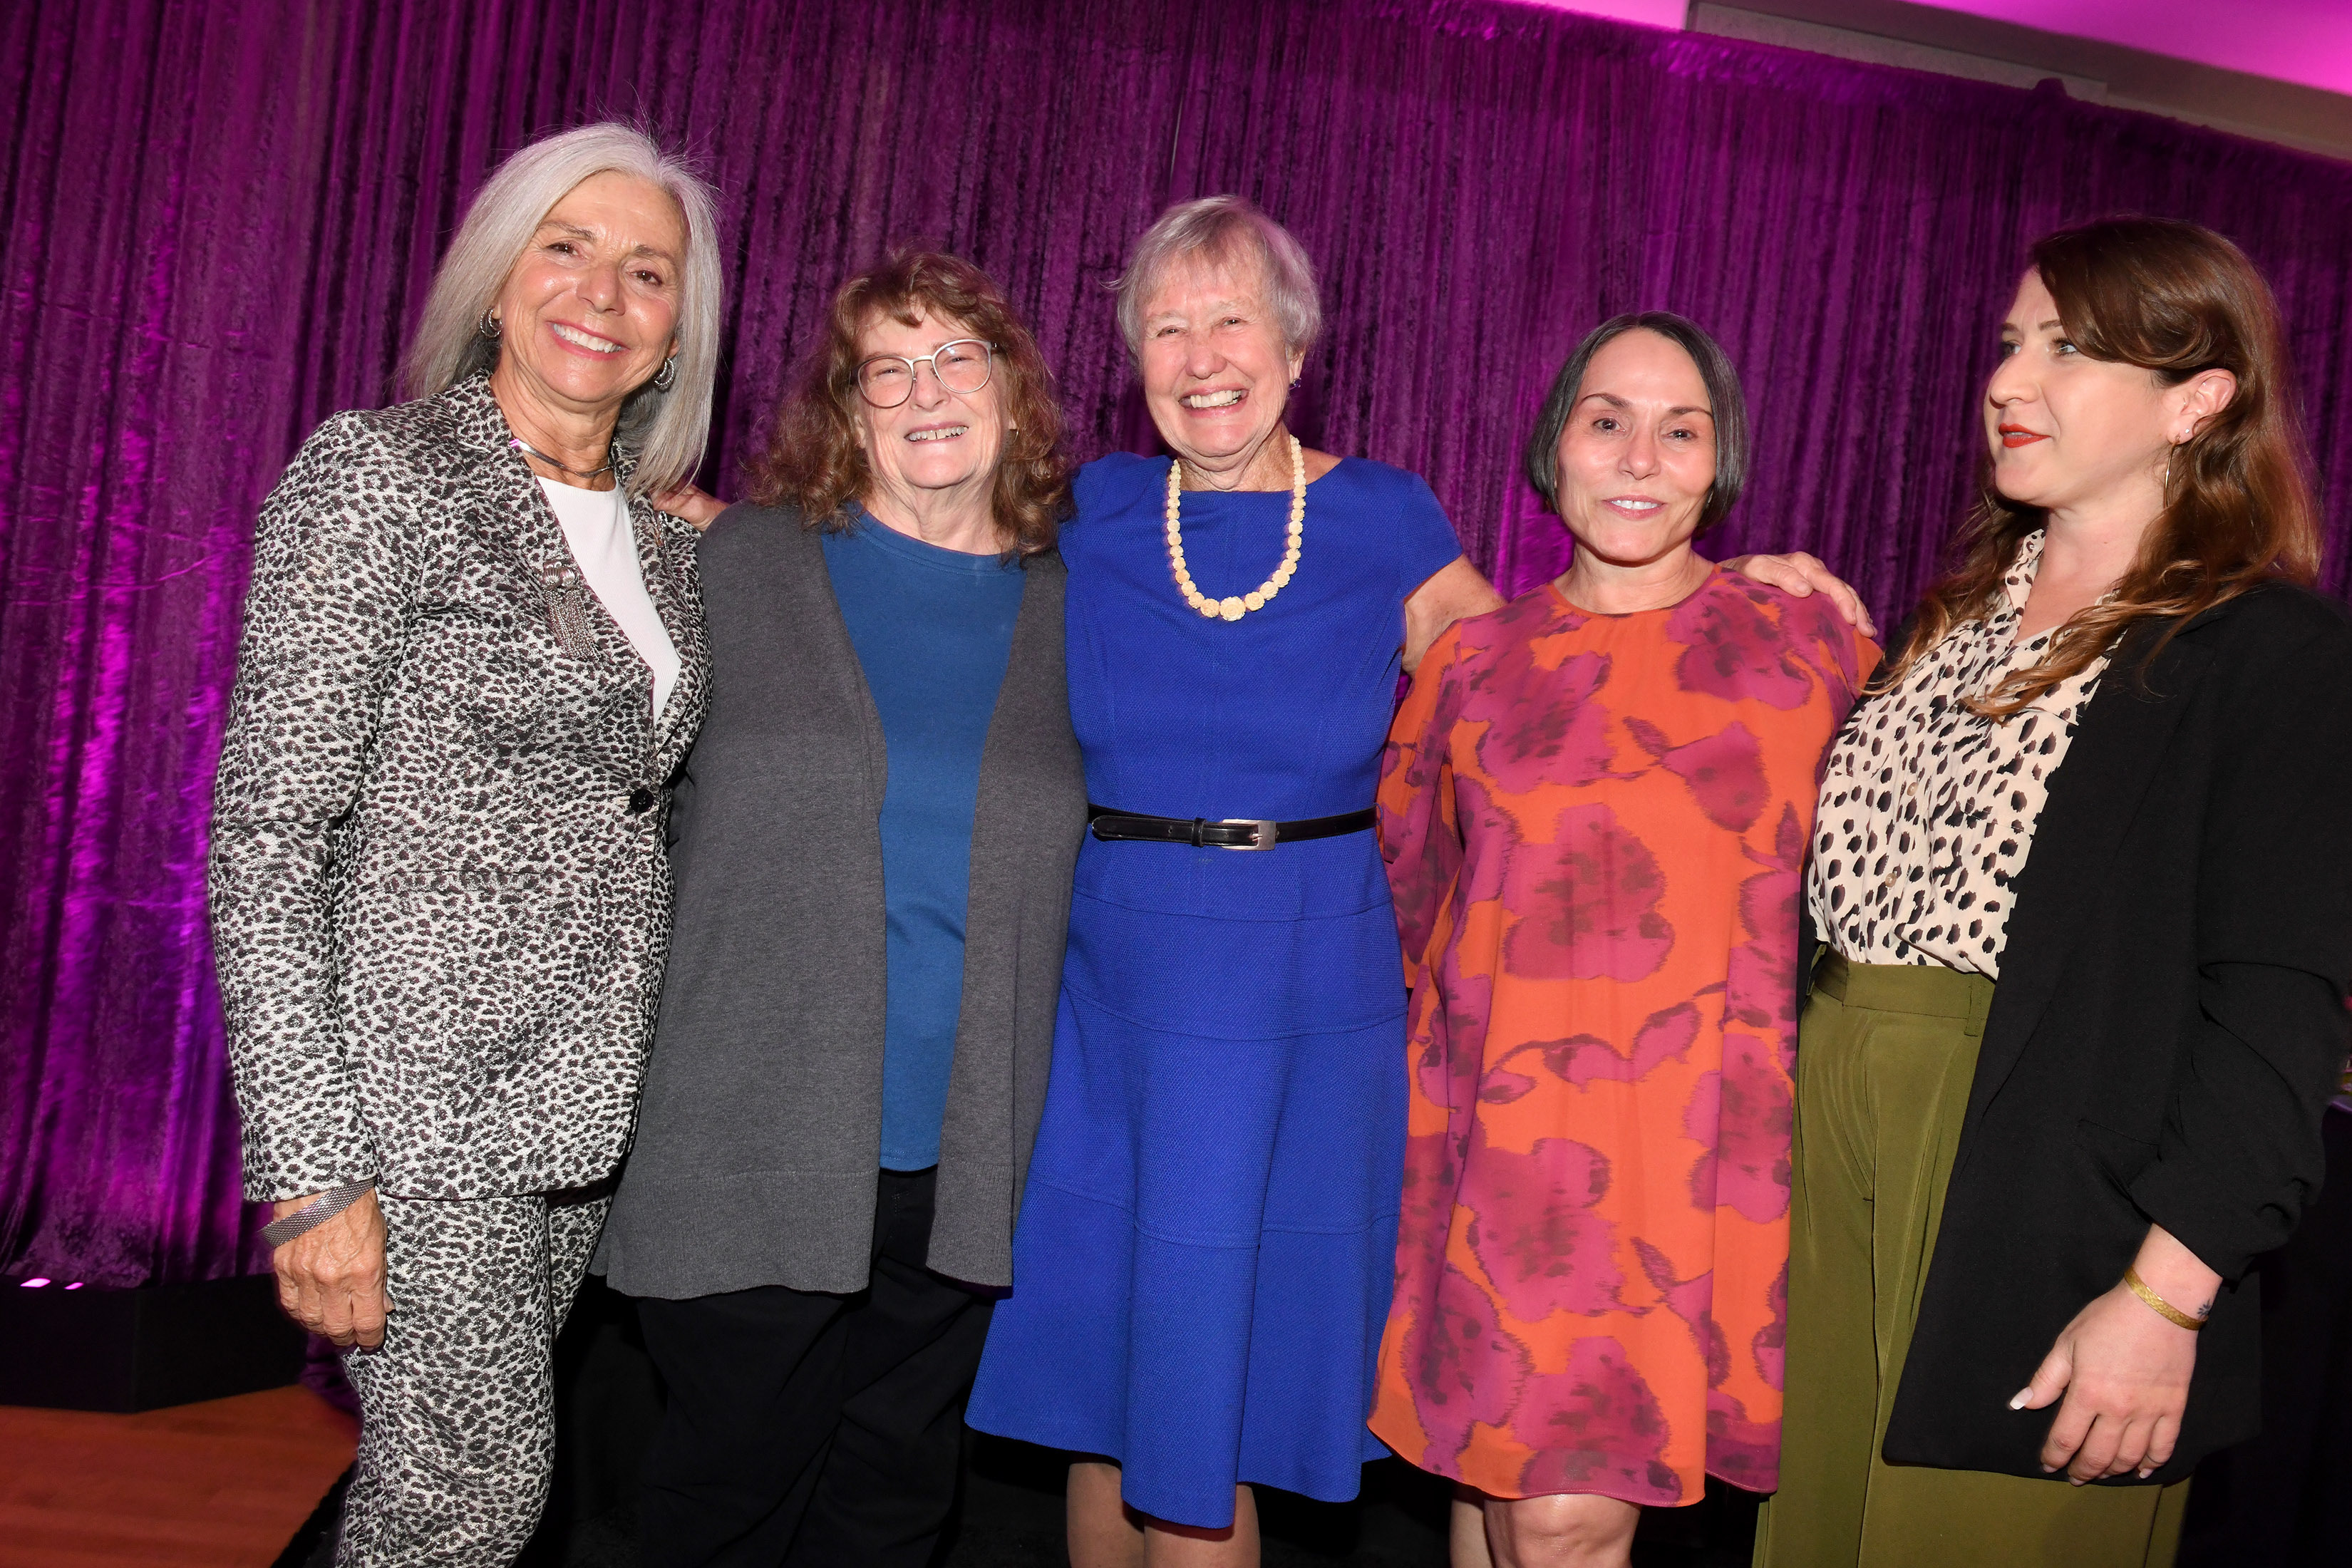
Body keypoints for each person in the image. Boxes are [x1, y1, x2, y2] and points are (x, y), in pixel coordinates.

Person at [961, 197, 1865, 1567]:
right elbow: (915, 536)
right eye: (1169, 326)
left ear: (1299, 347)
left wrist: (1729, 587)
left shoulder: (1381, 513)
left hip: (1299, 977)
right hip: (1116, 981)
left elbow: (1550, 664)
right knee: (1109, 1387)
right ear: (1132, 355)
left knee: (1214, 1389)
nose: (1204, 356)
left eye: (1236, 322)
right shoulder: (1088, 509)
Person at [1755, 217, 2352, 1568]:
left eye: (2070, 350)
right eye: (2013, 342)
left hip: (2049, 1198)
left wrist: (2165, 1300)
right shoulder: (1949, 620)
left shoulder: (2270, 653)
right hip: (1830, 1158)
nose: (2011, 381)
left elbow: (2275, 1020)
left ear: (2198, 399)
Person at [207, 123, 722, 1563]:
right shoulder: (379, 476)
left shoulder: (674, 546)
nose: (602, 294)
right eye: (566, 247)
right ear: (499, 277)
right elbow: (266, 832)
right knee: (471, 1498)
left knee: (438, 1498)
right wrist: (312, 1169)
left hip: (583, 1110)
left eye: (647, 271)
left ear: (681, 324)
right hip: (414, 1098)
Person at [595, 249, 1088, 1568]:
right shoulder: (741, 564)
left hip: (969, 1157)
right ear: (847, 408)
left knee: (891, 1504)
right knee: (720, 1500)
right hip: (748, 1132)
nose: (925, 392)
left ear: (1011, 387)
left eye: (955, 359)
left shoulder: (1082, 600)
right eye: (888, 369)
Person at [1372, 313, 1876, 1568]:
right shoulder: (1470, 667)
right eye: (1608, 422)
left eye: (1681, 429)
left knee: (1549, 1510)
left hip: (1701, 1156)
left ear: (1722, 465)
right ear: (1556, 452)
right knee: (1514, 1497)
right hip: (1503, 1154)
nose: (1641, 457)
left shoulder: (1813, 651)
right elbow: (1406, 904)